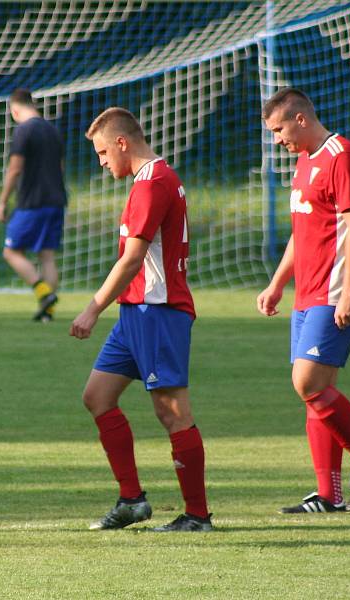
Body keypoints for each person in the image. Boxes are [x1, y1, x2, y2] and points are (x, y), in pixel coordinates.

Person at [71, 107, 212, 533]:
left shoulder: (153, 182)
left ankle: (197, 514)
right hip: (136, 312)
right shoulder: (148, 181)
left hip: (158, 312)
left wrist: (93, 307)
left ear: (122, 143)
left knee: (173, 414)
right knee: (97, 396)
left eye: (101, 153)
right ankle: (131, 500)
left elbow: (134, 258)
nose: (101, 163)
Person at [257, 87, 350, 513]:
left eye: (279, 129)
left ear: (300, 119)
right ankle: (329, 493)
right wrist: (278, 283)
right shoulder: (304, 162)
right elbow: (304, 234)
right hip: (308, 292)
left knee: (308, 382)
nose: (278, 139)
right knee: (316, 392)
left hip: (337, 291)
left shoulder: (342, 155)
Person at [0, 88, 67, 322]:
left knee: (10, 251)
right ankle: (48, 313)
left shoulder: (24, 131)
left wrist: (3, 200)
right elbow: (61, 167)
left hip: (32, 202)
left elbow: (15, 168)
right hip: (56, 200)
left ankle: (43, 292)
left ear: (15, 109)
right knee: (47, 256)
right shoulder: (52, 130)